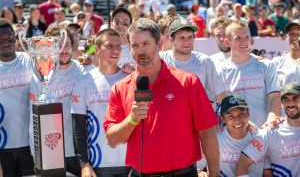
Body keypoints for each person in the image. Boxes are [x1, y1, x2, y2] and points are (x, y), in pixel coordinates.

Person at [103, 18, 220, 176]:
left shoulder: (188, 82)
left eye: (146, 44)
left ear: (159, 45)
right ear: (129, 48)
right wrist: (132, 119)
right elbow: (112, 140)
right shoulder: (120, 88)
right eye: (135, 46)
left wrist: (214, 174)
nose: (140, 51)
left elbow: (207, 133)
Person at [72, 28, 130, 177]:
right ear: (97, 49)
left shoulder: (131, 78)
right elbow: (78, 127)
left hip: (130, 163)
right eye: (109, 46)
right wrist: (84, 164)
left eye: (118, 46)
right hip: (98, 164)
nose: (115, 50)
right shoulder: (84, 80)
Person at [28, 25, 83, 175]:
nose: (64, 50)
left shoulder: (83, 70)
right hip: (50, 152)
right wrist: (36, 156)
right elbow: (33, 119)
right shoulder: (40, 75)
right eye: (58, 45)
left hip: (78, 152)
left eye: (67, 45)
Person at [219, 21, 281, 128]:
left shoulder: (266, 65)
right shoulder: (220, 71)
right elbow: (220, 103)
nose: (243, 41)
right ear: (227, 42)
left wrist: (272, 116)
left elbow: (274, 97)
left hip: (264, 131)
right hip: (234, 134)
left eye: (246, 37)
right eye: (238, 38)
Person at [236, 82, 300, 176]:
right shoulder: (270, 132)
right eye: (286, 99)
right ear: (281, 104)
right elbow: (242, 165)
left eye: (295, 98)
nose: (290, 104)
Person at [160, 18, 226, 104]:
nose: (187, 41)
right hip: (168, 115)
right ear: (171, 39)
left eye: (190, 37)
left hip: (196, 116)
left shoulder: (204, 61)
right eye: (182, 38)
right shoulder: (160, 60)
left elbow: (220, 93)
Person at [199, 95, 268, 176]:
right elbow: (198, 167)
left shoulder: (261, 137)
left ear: (248, 113)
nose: (237, 119)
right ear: (223, 118)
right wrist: (201, 173)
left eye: (241, 113)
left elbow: (268, 171)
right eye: (231, 115)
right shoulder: (215, 139)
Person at [0, 18, 34, 176]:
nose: (6, 43)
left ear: (15, 38)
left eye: (9, 38)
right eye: (0, 40)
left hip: (30, 146)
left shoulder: (28, 59)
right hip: (2, 147)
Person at [272, 19, 300, 87]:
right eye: (291, 34)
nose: (295, 37)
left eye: (299, 34)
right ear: (287, 37)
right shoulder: (277, 62)